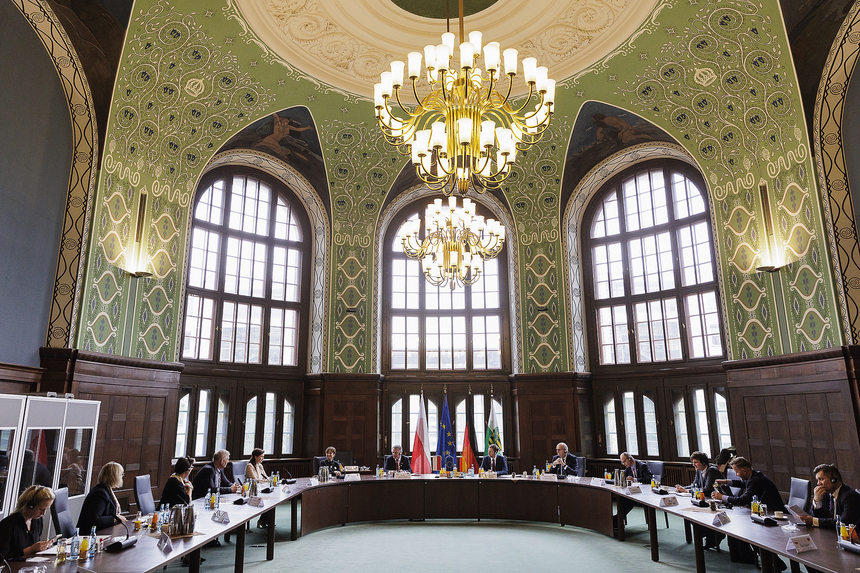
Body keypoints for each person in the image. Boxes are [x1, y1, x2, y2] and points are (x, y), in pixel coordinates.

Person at [713, 457, 786, 570]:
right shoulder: (755, 475)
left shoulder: (756, 480)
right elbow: (744, 483)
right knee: (750, 534)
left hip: (771, 514)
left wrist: (723, 497)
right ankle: (773, 562)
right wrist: (726, 482)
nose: (736, 474)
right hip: (762, 512)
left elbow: (743, 500)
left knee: (753, 536)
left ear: (744, 471)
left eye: (737, 471)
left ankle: (775, 563)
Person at [675, 451, 725, 550]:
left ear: (703, 462)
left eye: (695, 462)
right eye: (692, 462)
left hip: (718, 500)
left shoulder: (712, 470)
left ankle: (714, 535)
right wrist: (683, 488)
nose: (693, 465)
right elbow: (694, 485)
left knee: (696, 516)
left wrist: (687, 490)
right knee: (690, 514)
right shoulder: (699, 471)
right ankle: (711, 535)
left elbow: (708, 489)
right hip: (705, 500)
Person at [0, 485, 55, 559]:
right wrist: (30, 550)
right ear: (30, 506)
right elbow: (3, 558)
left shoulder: (37, 521)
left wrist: (43, 547)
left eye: (46, 509)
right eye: (41, 509)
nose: (43, 513)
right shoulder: (8, 525)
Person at [799, 463, 860, 528]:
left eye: (821, 479)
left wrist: (814, 521)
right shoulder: (825, 494)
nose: (818, 483)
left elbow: (843, 523)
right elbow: (819, 518)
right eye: (818, 480)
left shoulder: (850, 496)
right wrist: (817, 501)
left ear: (833, 480)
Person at [77, 461, 128, 531]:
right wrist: (115, 519)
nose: (122, 477)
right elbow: (94, 519)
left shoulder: (106, 489)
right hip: (91, 534)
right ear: (114, 477)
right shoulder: (100, 494)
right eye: (121, 474)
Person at [616, 452, 652, 523]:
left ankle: (617, 519)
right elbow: (625, 477)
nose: (623, 464)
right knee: (623, 498)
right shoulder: (628, 468)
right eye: (622, 462)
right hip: (635, 491)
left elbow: (649, 479)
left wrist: (635, 480)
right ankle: (618, 519)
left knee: (629, 499)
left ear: (629, 459)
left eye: (624, 461)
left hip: (644, 492)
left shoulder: (642, 466)